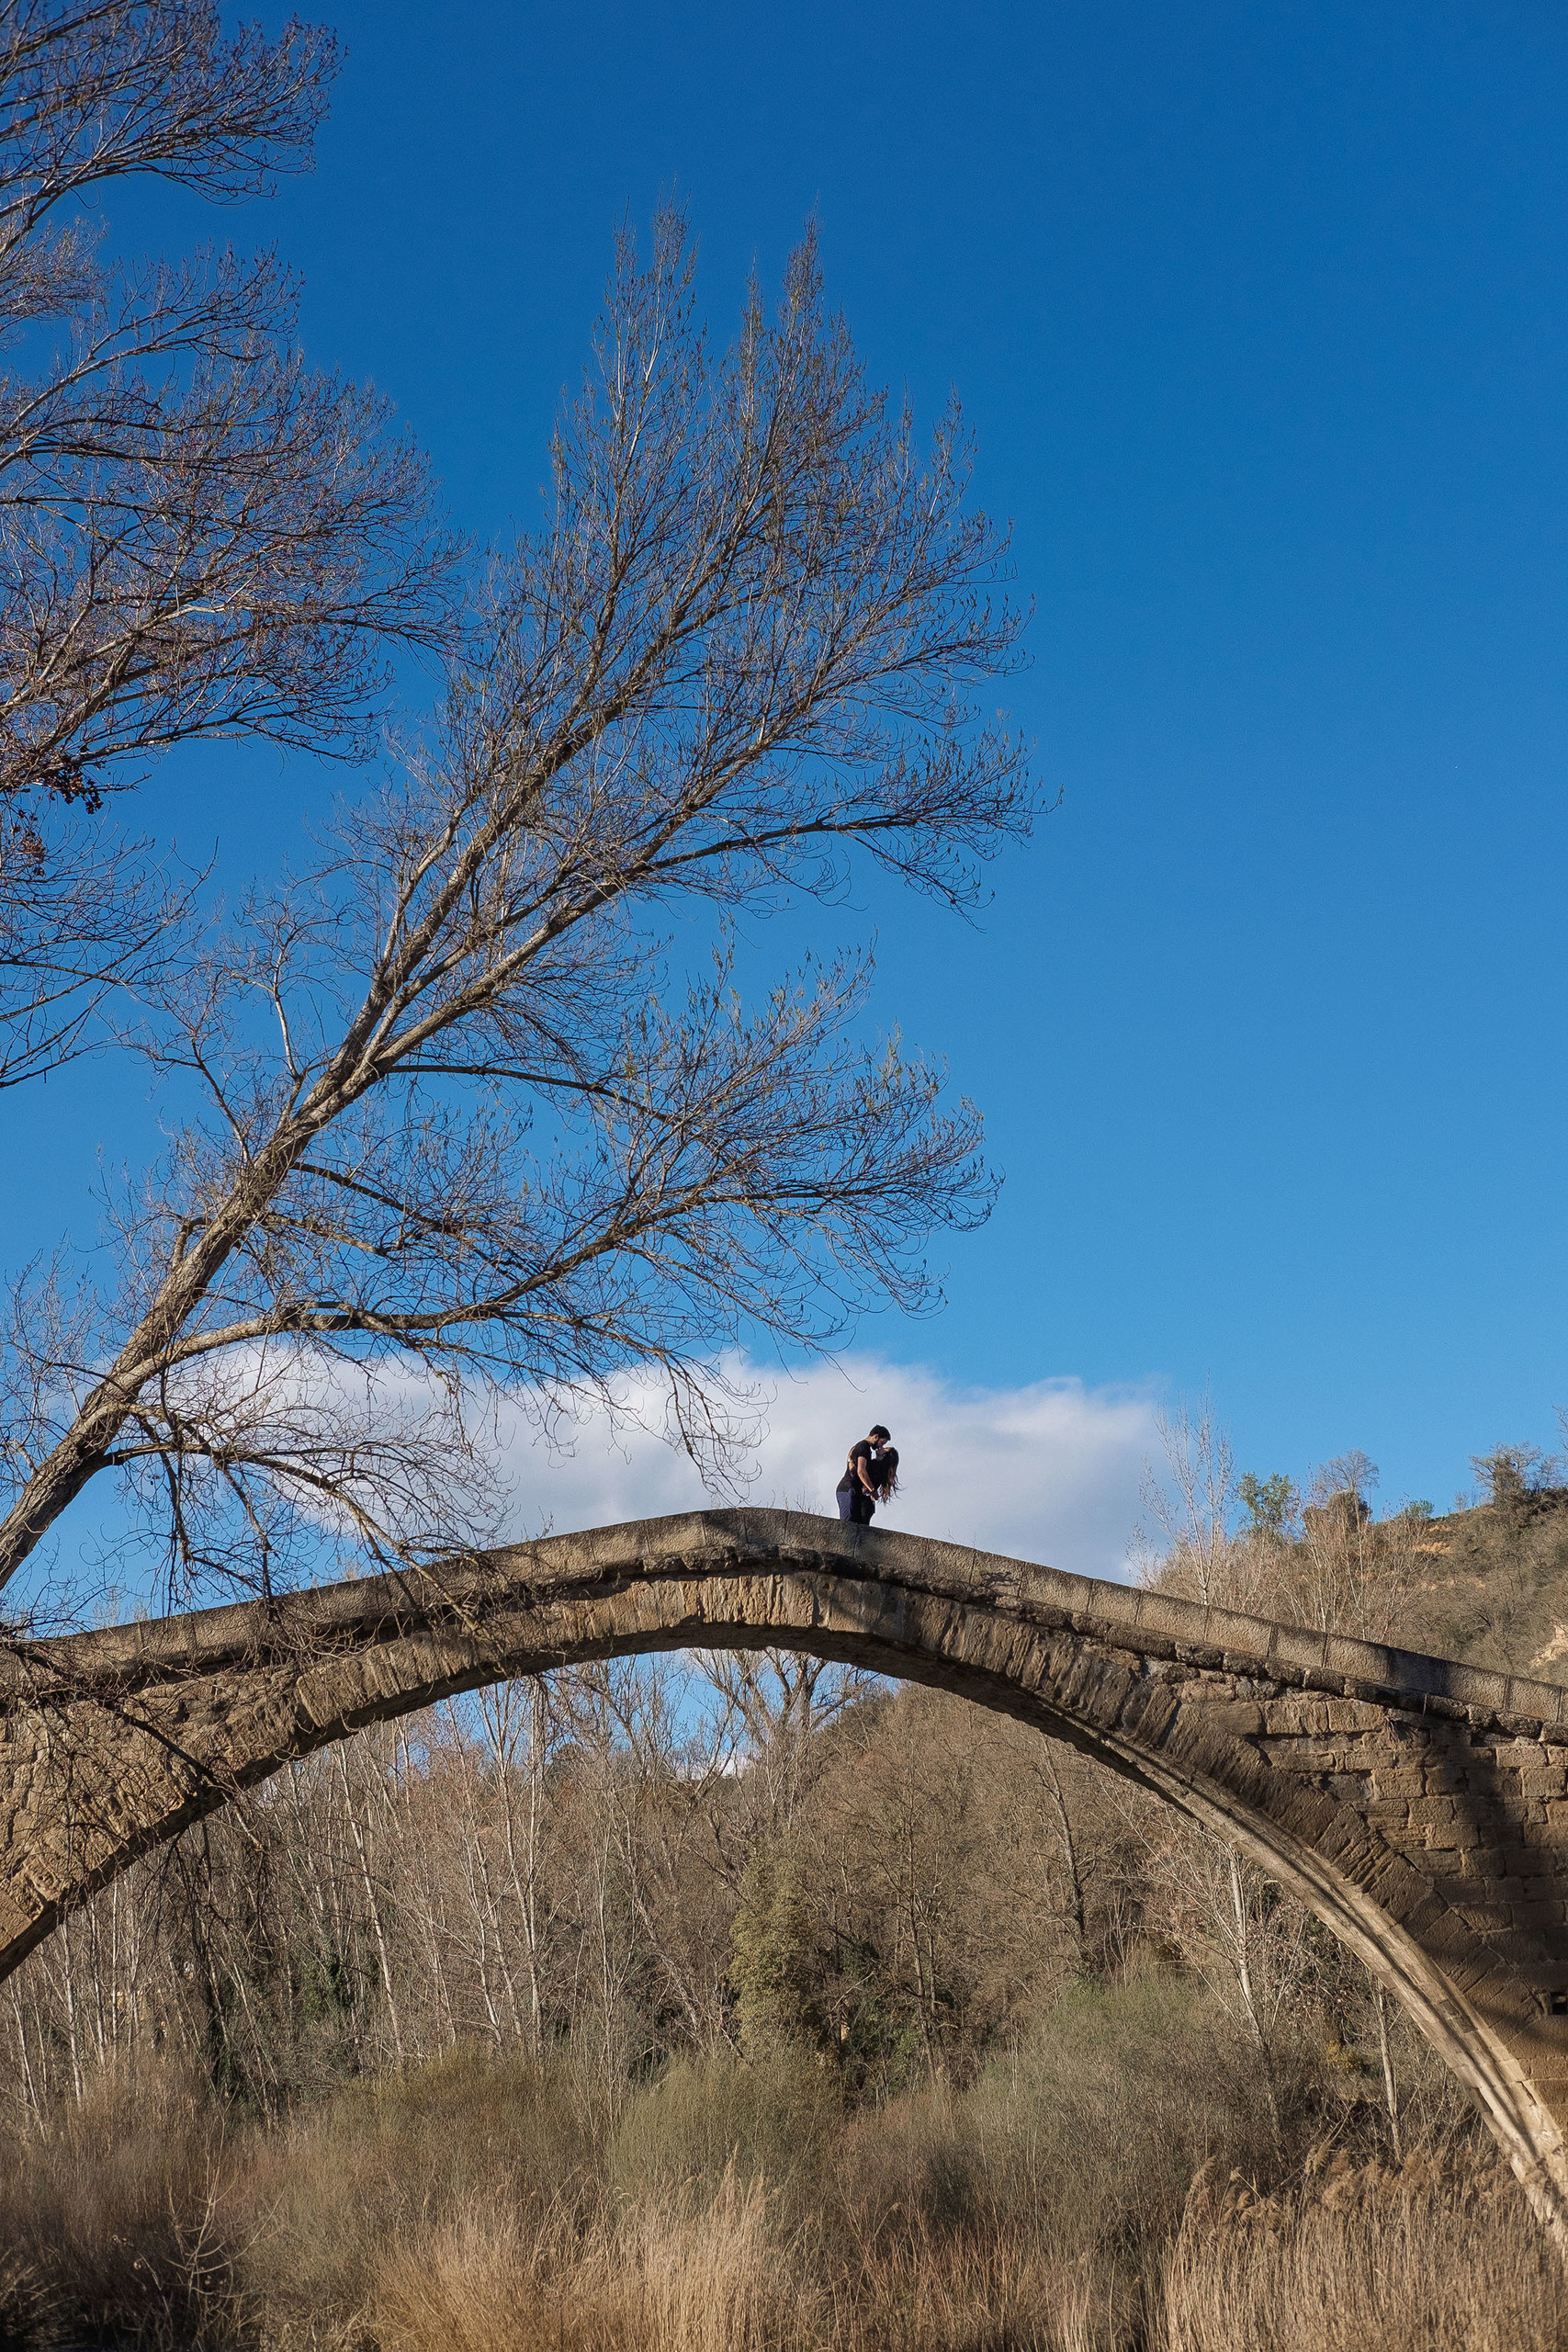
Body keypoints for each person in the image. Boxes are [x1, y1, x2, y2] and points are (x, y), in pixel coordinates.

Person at [837, 1424, 897, 1525]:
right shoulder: (865, 1448)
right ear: (876, 1436)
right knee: (851, 1523)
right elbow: (860, 1472)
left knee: (849, 1523)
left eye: (883, 1446)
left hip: (851, 1490)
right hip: (851, 1491)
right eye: (882, 1443)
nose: (880, 1447)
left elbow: (859, 1472)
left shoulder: (869, 1454)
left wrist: (850, 1461)